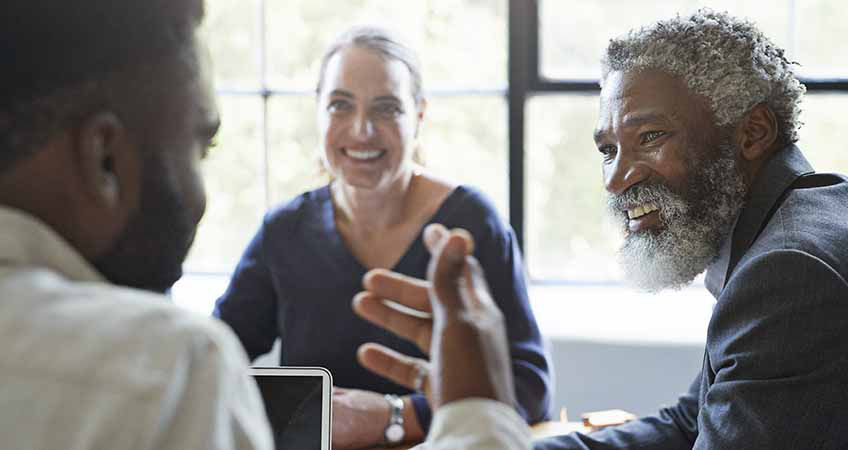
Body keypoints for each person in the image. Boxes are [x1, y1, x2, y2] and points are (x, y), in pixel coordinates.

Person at [354, 9, 848, 450]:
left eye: (650, 137)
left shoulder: (797, 273)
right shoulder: (785, 231)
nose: (618, 179)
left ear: (752, 134)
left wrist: (479, 431)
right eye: (607, 148)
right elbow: (686, 423)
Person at [212, 26, 551, 449]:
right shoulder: (283, 232)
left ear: (420, 115)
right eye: (340, 105)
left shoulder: (471, 224)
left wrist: (396, 417)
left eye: (386, 108)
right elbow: (213, 360)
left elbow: (531, 387)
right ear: (318, 111)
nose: (362, 131)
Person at [0, 1, 272, 449]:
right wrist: (433, 414)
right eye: (199, 149)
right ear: (104, 159)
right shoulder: (173, 372)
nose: (201, 197)